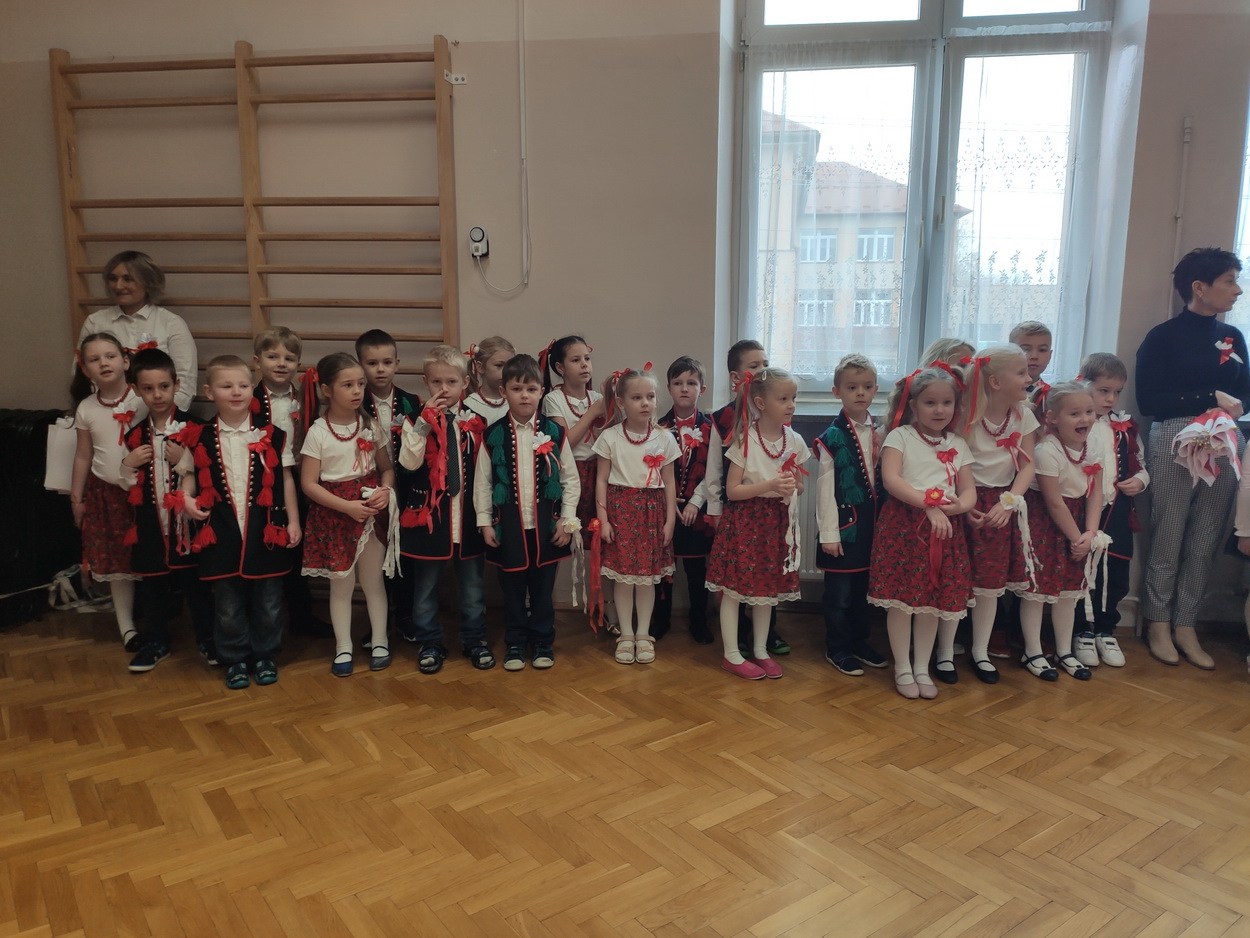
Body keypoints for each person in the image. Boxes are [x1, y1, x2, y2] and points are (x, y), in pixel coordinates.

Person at [1137, 247, 1247, 669]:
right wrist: (1208, 397)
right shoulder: (1162, 337)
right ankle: (1158, 622)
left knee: (1206, 538)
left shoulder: (1234, 336)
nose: (1237, 290)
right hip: (1174, 438)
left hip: (1225, 441)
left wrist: (1227, 409)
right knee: (1168, 533)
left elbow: (1247, 393)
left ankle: (1186, 624)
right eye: (1229, 281)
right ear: (1199, 287)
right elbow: (1149, 401)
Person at [181, 355, 301, 690]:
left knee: (269, 601)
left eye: (243, 385)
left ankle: (265, 655)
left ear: (252, 389)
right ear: (209, 391)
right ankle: (234, 657)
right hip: (220, 531)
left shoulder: (273, 434)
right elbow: (188, 475)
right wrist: (186, 499)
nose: (236, 392)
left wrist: (293, 521)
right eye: (226, 386)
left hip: (266, 530)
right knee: (227, 604)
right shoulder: (198, 436)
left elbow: (286, 479)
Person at [868, 366, 975, 699]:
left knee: (932, 602)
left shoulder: (958, 443)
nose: (939, 410)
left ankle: (921, 667)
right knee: (902, 602)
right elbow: (892, 480)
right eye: (930, 403)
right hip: (904, 527)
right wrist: (928, 505)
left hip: (944, 530)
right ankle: (902, 667)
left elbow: (969, 491)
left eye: (947, 403)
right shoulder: (900, 437)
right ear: (914, 404)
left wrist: (953, 508)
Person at [936, 345, 1036, 685]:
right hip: (963, 500)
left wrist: (1008, 503)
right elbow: (949, 461)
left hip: (1000, 505)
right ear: (995, 381)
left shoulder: (1024, 416)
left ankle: (980, 651)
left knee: (989, 585)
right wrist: (966, 505)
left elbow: (1027, 466)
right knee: (954, 580)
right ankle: (945, 652)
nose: (1029, 378)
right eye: (1021, 373)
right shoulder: (964, 415)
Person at [474, 354, 581, 671]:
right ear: (503, 391)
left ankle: (543, 641)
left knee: (543, 590)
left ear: (541, 392)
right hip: (508, 528)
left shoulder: (555, 432)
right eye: (517, 389)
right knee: (512, 590)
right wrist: (484, 522)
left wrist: (567, 520)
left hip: (547, 527)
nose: (524, 396)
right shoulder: (492, 435)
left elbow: (570, 480)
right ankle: (515, 643)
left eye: (531, 389)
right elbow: (483, 483)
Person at [706, 367, 810, 680]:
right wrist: (768, 485)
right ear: (761, 403)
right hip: (745, 525)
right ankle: (731, 654)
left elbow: (800, 485)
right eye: (784, 399)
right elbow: (732, 491)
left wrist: (792, 486)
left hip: (776, 525)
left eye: (793, 398)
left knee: (767, 591)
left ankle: (761, 650)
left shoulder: (795, 440)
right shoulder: (745, 439)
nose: (791, 405)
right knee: (734, 591)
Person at [299, 353, 396, 677]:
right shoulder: (318, 432)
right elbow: (309, 484)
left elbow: (386, 469)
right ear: (327, 389)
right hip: (335, 517)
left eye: (360, 384)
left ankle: (380, 641)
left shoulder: (370, 425)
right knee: (341, 586)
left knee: (373, 581)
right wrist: (346, 507)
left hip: (369, 514)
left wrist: (385, 490)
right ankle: (343, 647)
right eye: (347, 385)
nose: (356, 391)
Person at [397, 345, 491, 673]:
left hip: (467, 517)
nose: (443, 389)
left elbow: (483, 472)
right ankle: (430, 641)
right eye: (436, 382)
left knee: (473, 586)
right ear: (426, 382)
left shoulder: (475, 421)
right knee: (425, 587)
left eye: (451, 382)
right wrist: (423, 425)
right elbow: (409, 463)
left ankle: (475, 640)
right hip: (430, 519)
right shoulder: (414, 420)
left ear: (465, 382)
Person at [120, 348, 214, 672]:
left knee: (197, 586)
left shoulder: (197, 427)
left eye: (163, 386)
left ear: (176, 384)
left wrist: (184, 460)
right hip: (151, 525)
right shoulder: (135, 435)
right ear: (136, 389)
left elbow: (211, 475)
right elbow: (127, 484)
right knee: (153, 587)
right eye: (148, 388)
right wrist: (127, 464)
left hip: (188, 525)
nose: (157, 395)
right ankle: (156, 642)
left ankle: (207, 639)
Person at [1013, 382, 1105, 682]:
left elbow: (1095, 492)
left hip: (1077, 523)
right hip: (1046, 525)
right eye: (1075, 414)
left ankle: (1064, 651)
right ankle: (1032, 651)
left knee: (1068, 592)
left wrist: (1090, 533)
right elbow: (1053, 502)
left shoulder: (1094, 446)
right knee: (1037, 592)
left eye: (1089, 412)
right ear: (1053, 417)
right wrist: (1076, 537)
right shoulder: (1046, 451)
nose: (1085, 419)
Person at [592, 366, 679, 665]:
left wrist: (670, 520)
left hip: (652, 515)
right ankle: (626, 634)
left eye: (650, 397)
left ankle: (643, 634)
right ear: (621, 402)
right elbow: (601, 480)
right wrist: (604, 519)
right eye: (637, 397)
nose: (645, 403)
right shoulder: (610, 437)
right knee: (624, 579)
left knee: (645, 580)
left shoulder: (665, 438)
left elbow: (669, 483)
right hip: (621, 513)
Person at [70, 332, 147, 652]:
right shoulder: (86, 408)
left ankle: (157, 617)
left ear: (125, 361)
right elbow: (83, 455)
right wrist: (77, 497)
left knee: (148, 555)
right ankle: (126, 626)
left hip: (144, 492)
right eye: (94, 359)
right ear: (85, 369)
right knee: (117, 562)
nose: (103, 363)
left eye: (110, 356)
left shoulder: (143, 398)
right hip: (107, 494)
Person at [1073, 353, 1149, 667]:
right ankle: (1081, 631)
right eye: (1104, 390)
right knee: (1082, 573)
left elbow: (1141, 463)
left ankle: (1106, 629)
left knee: (1115, 574)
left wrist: (1141, 480)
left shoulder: (1124, 427)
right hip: (1081, 511)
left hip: (1117, 512)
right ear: (1083, 383)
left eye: (1116, 392)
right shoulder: (1076, 423)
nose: (1111, 399)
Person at [250, 326, 325, 639]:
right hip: (260, 482)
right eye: (273, 357)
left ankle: (302, 618)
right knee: (265, 550)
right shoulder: (248, 398)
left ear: (298, 363)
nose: (281, 363)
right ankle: (264, 623)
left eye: (289, 358)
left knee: (298, 549)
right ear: (257, 361)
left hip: (298, 478)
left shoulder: (306, 397)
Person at [815, 353, 888, 677]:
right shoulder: (832, 436)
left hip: (872, 528)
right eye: (852, 387)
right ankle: (837, 647)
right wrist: (829, 534)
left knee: (862, 593)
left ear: (876, 390)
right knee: (840, 596)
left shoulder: (882, 431)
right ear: (837, 392)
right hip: (844, 529)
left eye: (867, 386)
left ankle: (859, 641)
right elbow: (825, 491)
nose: (860, 392)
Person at [356, 328, 423, 639]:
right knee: (375, 558)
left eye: (386, 362)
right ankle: (377, 622)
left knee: (406, 556)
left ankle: (406, 615)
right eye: (371, 363)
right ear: (361, 365)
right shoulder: (354, 403)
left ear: (397, 363)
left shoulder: (413, 401)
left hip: (407, 492)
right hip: (369, 492)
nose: (380, 369)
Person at [77, 251, 197, 409]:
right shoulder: (94, 322)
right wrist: (104, 412)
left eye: (128, 279)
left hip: (159, 415)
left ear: (147, 283)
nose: (118, 286)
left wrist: (157, 416)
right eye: (113, 279)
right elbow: (81, 376)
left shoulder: (171, 323)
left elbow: (185, 384)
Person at [653, 356, 715, 644]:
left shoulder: (712, 428)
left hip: (697, 510)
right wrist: (668, 500)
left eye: (691, 383)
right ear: (669, 388)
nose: (685, 388)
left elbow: (714, 472)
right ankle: (660, 619)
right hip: (665, 510)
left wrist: (694, 502)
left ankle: (699, 621)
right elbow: (652, 468)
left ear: (702, 389)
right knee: (663, 569)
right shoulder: (658, 427)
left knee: (696, 570)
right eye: (678, 383)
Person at [463, 336, 516, 425]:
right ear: (480, 367)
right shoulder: (469, 405)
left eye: (510, 366)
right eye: (499, 365)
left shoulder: (515, 401)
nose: (506, 371)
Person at [1010, 321, 1054, 413]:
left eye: (1042, 350)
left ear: (1050, 356)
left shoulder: (1053, 397)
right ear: (1010, 352)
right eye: (1025, 349)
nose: (1034, 356)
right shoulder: (998, 393)